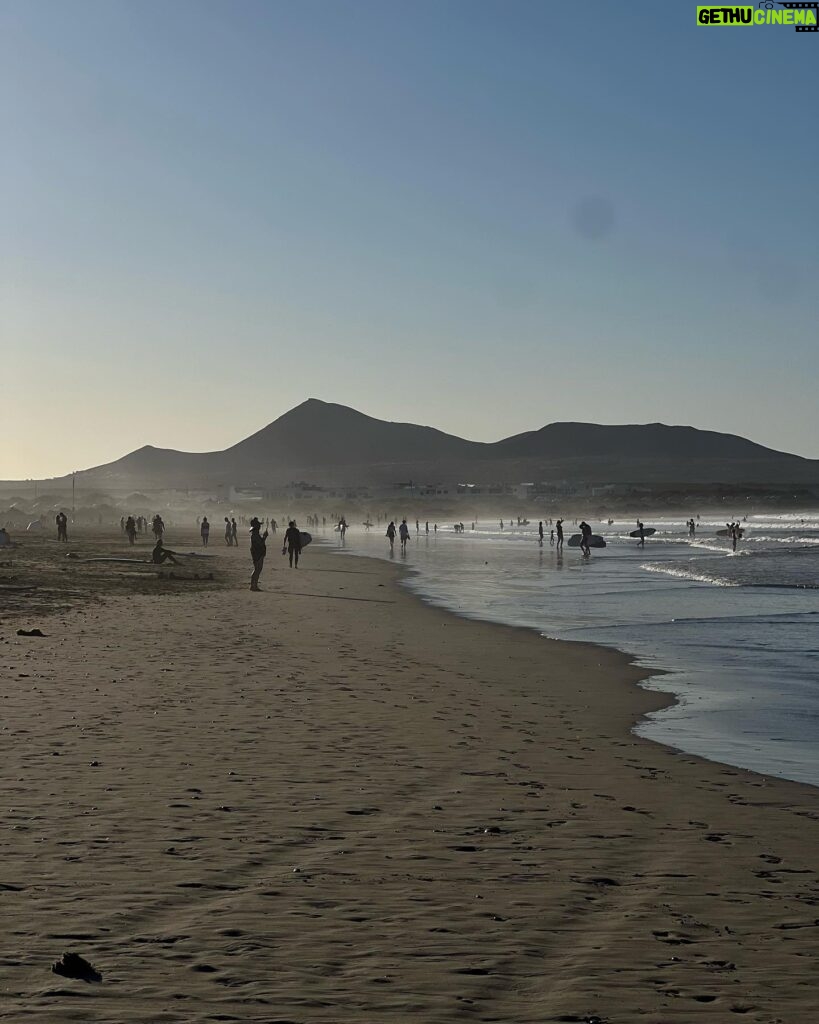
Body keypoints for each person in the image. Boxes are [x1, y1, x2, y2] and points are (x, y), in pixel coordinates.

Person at [249, 517, 268, 591]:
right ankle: (253, 586)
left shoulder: (255, 534)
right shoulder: (255, 535)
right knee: (257, 569)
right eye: (258, 525)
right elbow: (260, 543)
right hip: (257, 553)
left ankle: (254, 585)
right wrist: (265, 537)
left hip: (257, 553)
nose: (260, 526)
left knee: (257, 569)